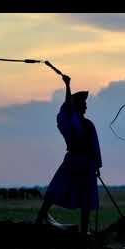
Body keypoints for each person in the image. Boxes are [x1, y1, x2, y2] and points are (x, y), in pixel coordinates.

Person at [35, 73, 102, 235]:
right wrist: (67, 85)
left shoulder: (88, 124)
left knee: (85, 198)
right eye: (83, 104)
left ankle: (84, 232)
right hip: (73, 161)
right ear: (77, 106)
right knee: (55, 189)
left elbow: (95, 146)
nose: (86, 107)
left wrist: (97, 164)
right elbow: (68, 107)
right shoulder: (71, 123)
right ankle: (38, 221)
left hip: (87, 164)